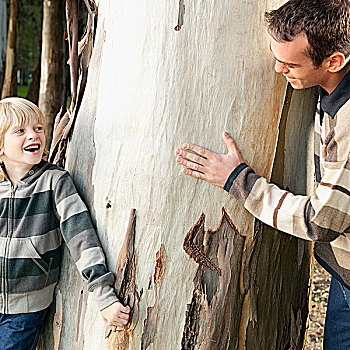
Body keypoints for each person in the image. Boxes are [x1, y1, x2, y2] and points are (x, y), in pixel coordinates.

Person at [175, 0, 350, 349]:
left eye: (289, 64)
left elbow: (321, 221)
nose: (276, 69)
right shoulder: (330, 82)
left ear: (334, 61)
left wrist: (238, 181)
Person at [0, 97, 130, 350]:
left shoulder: (54, 182)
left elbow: (81, 236)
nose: (33, 135)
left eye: (38, 127)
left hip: (24, 309)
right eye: (20, 131)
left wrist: (104, 296)